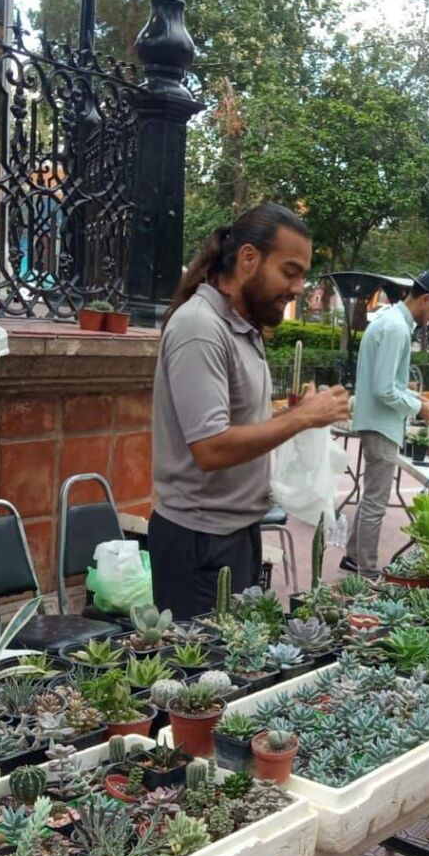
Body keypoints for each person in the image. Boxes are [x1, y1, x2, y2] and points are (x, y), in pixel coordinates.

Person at [150, 204, 351, 620]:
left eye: (303, 275)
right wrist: (302, 418)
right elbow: (210, 448)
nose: (298, 287)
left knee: (232, 669)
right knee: (202, 678)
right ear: (248, 259)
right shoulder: (200, 328)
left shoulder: (240, 326)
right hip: (199, 541)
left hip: (233, 534)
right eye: (290, 271)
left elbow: (240, 428)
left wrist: (298, 416)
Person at [340, 271, 429, 577]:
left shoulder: (392, 323)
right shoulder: (397, 328)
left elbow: (389, 383)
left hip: (377, 421)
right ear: (426, 299)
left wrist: (419, 399)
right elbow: (384, 389)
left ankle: (353, 556)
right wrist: (418, 407)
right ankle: (368, 571)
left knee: (370, 495)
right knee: (376, 501)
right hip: (380, 424)